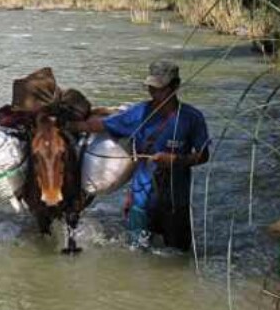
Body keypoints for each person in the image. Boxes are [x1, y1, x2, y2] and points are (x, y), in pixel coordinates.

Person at [67, 61, 210, 251]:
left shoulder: (192, 118)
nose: (154, 93)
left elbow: (203, 155)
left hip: (176, 204)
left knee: (179, 256)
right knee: (138, 255)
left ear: (175, 86)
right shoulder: (139, 113)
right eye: (151, 88)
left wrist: (176, 160)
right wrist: (72, 126)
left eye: (160, 89)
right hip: (141, 202)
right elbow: (104, 125)